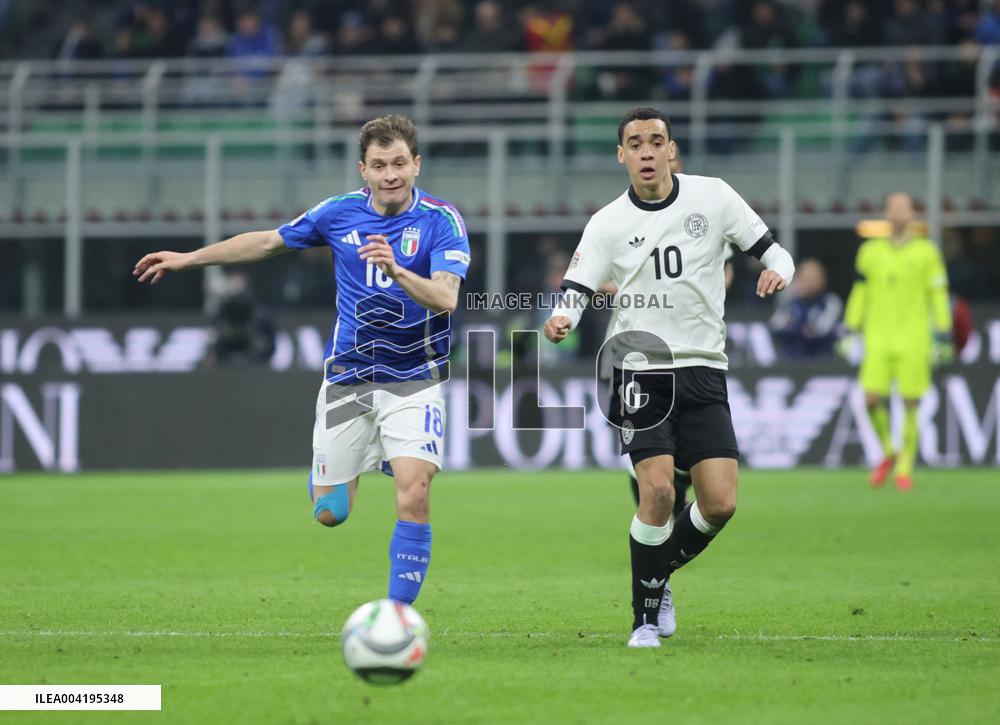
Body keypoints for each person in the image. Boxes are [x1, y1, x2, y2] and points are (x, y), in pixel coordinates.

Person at [134, 115, 471, 606]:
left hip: (412, 379)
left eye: (400, 162)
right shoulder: (339, 214)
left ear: (416, 164)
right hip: (348, 381)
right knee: (331, 512)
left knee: (414, 492)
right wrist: (188, 259)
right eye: (379, 165)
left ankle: (396, 618)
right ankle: (350, 464)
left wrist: (397, 270)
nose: (391, 174)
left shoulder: (441, 220)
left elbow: (445, 298)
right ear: (364, 170)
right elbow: (269, 241)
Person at [544, 107, 794, 648]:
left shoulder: (714, 196)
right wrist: (564, 316)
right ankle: (643, 621)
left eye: (656, 141)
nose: (647, 151)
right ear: (622, 156)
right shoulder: (607, 222)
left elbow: (775, 251)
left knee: (721, 503)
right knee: (656, 490)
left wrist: (779, 270)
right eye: (635, 143)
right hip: (640, 367)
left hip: (705, 368)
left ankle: (657, 573)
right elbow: (578, 287)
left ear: (672, 149)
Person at [841, 192, 951, 492]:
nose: (897, 213)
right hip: (877, 337)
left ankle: (904, 468)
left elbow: (938, 294)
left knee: (910, 402)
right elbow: (860, 291)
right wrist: (850, 327)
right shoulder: (870, 250)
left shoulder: (927, 252)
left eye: (903, 208)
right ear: (885, 213)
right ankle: (891, 451)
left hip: (914, 338)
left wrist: (943, 331)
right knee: (871, 399)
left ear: (912, 214)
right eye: (891, 208)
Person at [769, 258, 843, 358]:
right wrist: (802, 330)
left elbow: (820, 332)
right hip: (790, 361)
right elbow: (775, 327)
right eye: (805, 278)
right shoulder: (790, 303)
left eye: (813, 278)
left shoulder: (831, 302)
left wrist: (793, 329)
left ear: (823, 279)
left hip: (822, 363)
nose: (808, 282)